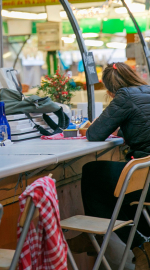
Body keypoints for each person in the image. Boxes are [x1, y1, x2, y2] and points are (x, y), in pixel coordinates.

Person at [68, 62, 150, 269]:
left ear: (109, 90)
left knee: (92, 173)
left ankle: (101, 238)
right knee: (114, 189)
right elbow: (141, 124)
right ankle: (140, 244)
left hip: (145, 183)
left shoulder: (123, 97)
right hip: (146, 172)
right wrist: (121, 129)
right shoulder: (147, 92)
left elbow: (95, 134)